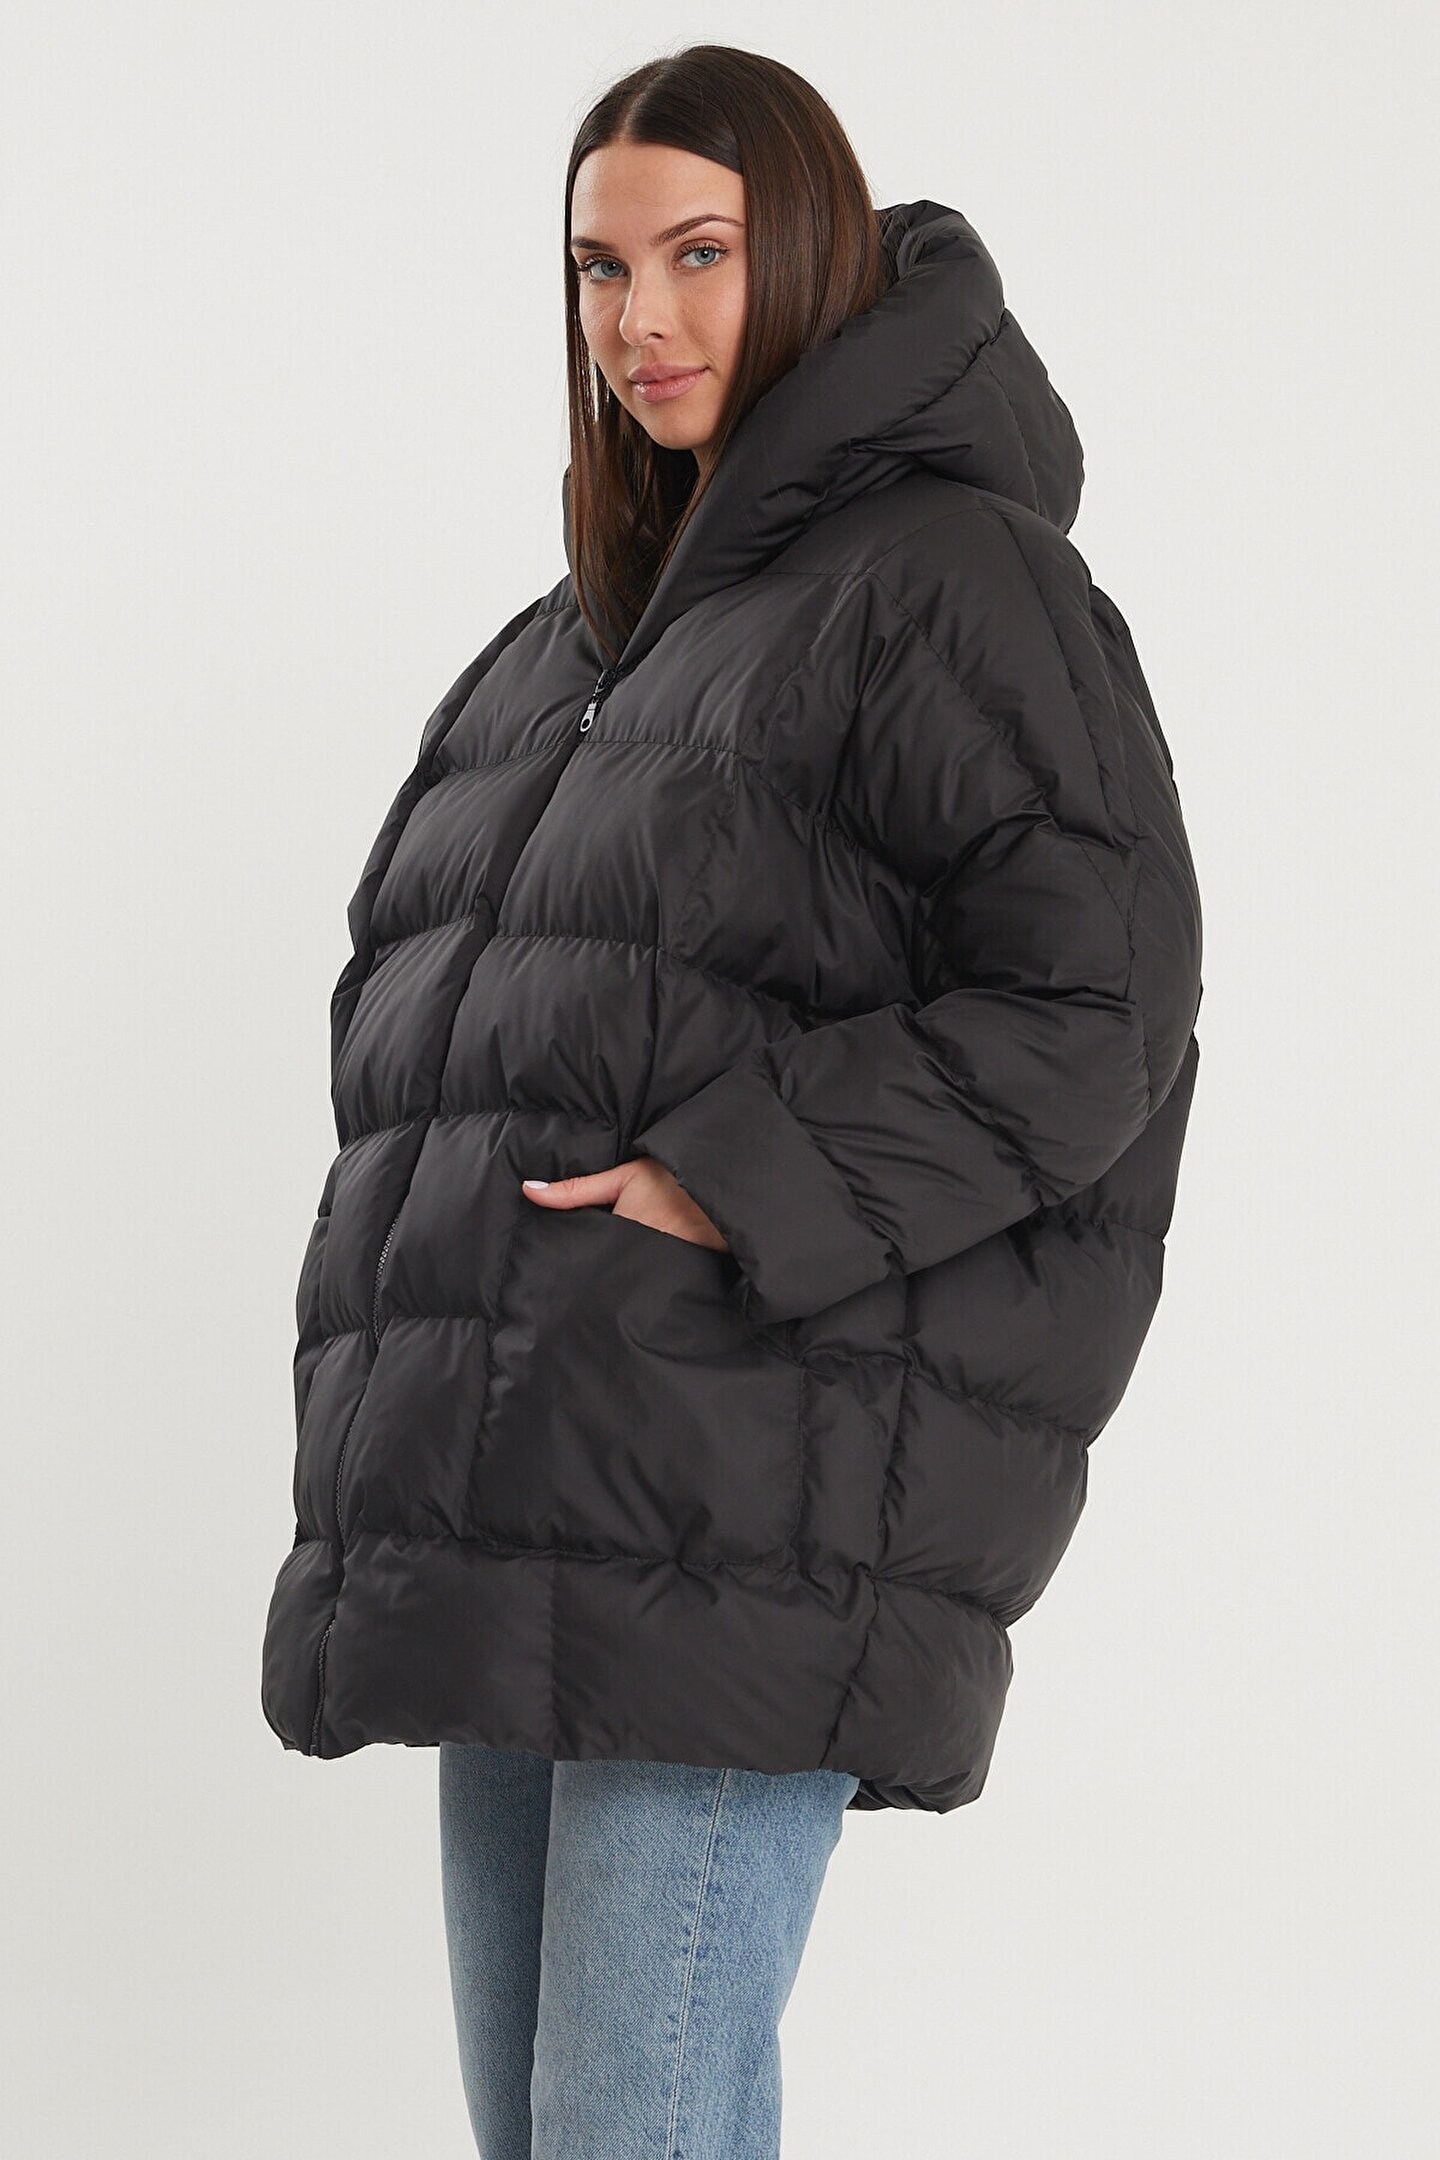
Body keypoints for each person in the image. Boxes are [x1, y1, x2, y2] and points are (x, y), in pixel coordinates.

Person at [260, 41, 1203, 2160]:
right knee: (557, 2134)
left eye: (701, 253)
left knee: (633, 2126)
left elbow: (1098, 1005)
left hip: (748, 1487)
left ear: (817, 256)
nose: (642, 318)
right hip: (526, 1480)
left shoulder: (951, 580)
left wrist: (730, 1175)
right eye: (600, 269)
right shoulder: (568, 646)